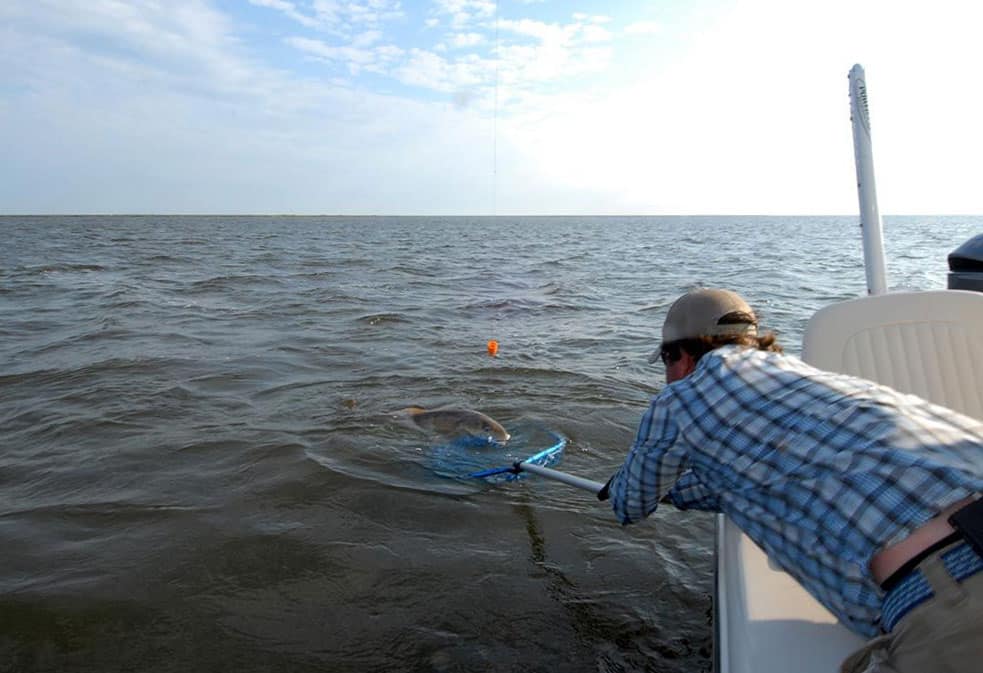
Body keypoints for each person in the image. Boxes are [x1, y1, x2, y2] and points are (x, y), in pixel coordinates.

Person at [604, 287, 983, 673]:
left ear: (680, 358)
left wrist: (619, 486)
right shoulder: (805, 379)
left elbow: (630, 505)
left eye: (666, 363)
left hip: (951, 590)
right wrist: (678, 493)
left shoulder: (679, 399)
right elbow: (749, 477)